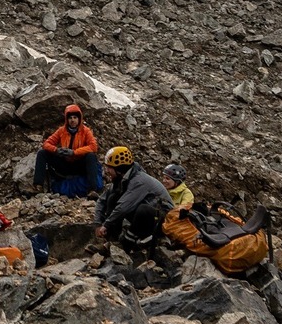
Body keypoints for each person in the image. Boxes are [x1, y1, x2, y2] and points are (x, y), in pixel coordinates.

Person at [94, 145, 175, 274]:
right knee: (112, 197)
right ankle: (113, 241)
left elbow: (123, 207)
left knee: (142, 209)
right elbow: (102, 200)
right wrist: (98, 223)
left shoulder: (139, 180)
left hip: (163, 221)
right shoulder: (121, 179)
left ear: (119, 169)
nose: (106, 171)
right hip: (147, 218)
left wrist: (106, 225)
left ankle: (126, 245)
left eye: (109, 168)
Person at [33, 104, 102, 195]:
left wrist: (74, 152)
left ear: (79, 119)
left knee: (91, 156)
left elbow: (93, 147)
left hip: (79, 165)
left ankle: (92, 190)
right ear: (67, 119)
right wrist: (56, 150)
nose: (72, 120)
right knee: (42, 153)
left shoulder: (86, 131)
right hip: (64, 164)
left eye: (75, 117)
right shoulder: (62, 131)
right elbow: (46, 144)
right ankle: (38, 186)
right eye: (70, 118)